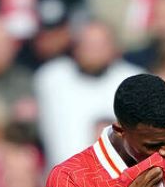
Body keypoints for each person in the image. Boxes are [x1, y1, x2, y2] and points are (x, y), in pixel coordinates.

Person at [35, 21, 142, 165]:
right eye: (87, 45)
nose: (92, 51)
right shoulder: (51, 78)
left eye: (99, 45)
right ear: (76, 47)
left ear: (114, 48)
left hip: (121, 179)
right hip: (60, 178)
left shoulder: (135, 81)